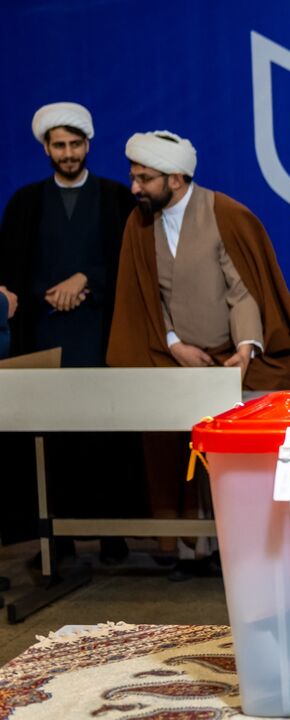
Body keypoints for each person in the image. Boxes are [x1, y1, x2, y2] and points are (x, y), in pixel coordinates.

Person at [107, 130, 290, 579]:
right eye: (134, 177)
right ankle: (184, 548)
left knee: (228, 449)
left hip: (225, 360)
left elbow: (243, 290)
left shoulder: (225, 214)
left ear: (175, 179)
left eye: (145, 178)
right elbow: (145, 299)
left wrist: (244, 348)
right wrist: (174, 344)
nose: (135, 187)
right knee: (166, 444)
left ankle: (235, 545)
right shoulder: (138, 223)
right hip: (168, 355)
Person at [0, 102, 139, 563]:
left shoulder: (118, 198)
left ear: (88, 145)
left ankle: (113, 538)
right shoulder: (24, 203)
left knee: (107, 435)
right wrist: (48, 291)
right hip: (45, 335)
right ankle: (53, 540)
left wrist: (87, 280)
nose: (68, 152)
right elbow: (13, 271)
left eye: (75, 144)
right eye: (59, 145)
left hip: (102, 334)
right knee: (52, 438)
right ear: (46, 148)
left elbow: (130, 263)